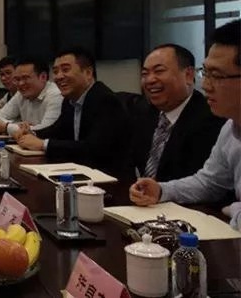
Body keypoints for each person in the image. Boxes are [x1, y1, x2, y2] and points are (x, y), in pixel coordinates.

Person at [130, 20, 241, 230]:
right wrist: (161, 190)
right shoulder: (230, 128)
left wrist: (235, 210)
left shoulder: (210, 120)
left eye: (216, 75)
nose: (206, 86)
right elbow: (209, 183)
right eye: (205, 73)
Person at [15, 48, 131, 178]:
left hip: (109, 180)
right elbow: (57, 130)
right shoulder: (69, 100)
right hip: (80, 173)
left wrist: (43, 144)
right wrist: (32, 133)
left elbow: (93, 149)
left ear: (88, 73)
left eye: (65, 70)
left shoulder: (105, 100)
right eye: (55, 72)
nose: (58, 77)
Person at [131, 44, 224, 181]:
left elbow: (203, 184)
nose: (150, 80)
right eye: (145, 74)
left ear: (188, 75)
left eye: (159, 71)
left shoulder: (212, 118)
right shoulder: (143, 112)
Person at [0, 56, 62, 136]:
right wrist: (17, 124)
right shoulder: (21, 94)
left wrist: (7, 127)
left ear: (43, 77)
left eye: (25, 78)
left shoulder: (56, 96)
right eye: (17, 79)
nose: (20, 83)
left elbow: (45, 131)